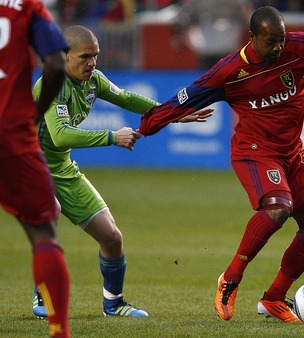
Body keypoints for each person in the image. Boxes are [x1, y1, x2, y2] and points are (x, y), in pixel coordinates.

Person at [138, 6, 304, 322]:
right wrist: (148, 124)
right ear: (252, 37)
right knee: (278, 207)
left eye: (281, 40)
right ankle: (230, 278)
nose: (278, 47)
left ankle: (274, 298)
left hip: (292, 152)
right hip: (254, 152)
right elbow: (185, 97)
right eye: (271, 41)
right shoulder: (229, 71)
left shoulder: (297, 47)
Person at [32, 25, 213, 318]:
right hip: (28, 166)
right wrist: (112, 137)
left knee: (112, 237)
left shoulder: (93, 80)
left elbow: (128, 98)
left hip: (61, 168)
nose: (92, 63)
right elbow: (60, 135)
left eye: (96, 56)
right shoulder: (52, 82)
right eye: (85, 56)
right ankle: (42, 293)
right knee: (48, 214)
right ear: (64, 56)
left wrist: (175, 115)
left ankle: (113, 304)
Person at [0, 1, 71, 337]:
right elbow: (56, 62)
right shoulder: (26, 6)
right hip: (9, 130)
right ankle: (59, 331)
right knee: (42, 232)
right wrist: (33, 112)